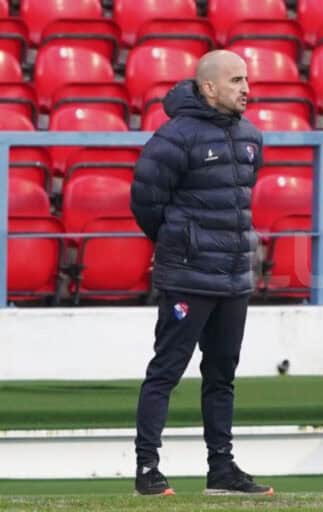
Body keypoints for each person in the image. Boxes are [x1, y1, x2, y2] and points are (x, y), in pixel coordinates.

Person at [130, 50, 272, 497]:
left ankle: (221, 470)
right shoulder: (173, 137)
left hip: (233, 277)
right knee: (166, 371)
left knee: (222, 375)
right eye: (236, 80)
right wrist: (180, 243)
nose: (246, 89)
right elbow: (146, 202)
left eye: (246, 80)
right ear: (209, 87)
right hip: (188, 276)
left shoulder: (251, 136)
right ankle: (147, 469)